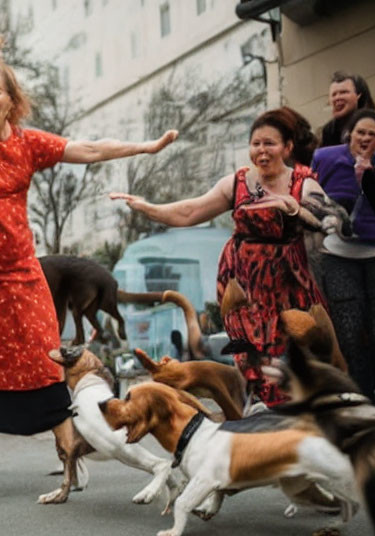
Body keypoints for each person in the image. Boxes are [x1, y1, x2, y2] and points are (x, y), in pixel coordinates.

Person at [0, 37, 177, 440]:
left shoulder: (27, 143)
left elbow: (90, 150)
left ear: (11, 100)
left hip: (17, 264)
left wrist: (146, 147)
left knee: (43, 341)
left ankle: (64, 435)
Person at [112, 107, 337, 406]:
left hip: (288, 285)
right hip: (243, 287)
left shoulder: (302, 182)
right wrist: (146, 207)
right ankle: (261, 411)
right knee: (252, 354)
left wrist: (293, 208)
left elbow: (325, 216)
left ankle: (290, 415)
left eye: (269, 143)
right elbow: (189, 211)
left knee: (293, 353)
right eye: (256, 143)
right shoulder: (237, 183)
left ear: (287, 147)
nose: (261, 150)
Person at [311, 109, 375, 401]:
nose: (365, 138)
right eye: (360, 132)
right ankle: (360, 395)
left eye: (372, 134)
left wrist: (367, 175)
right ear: (348, 134)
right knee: (349, 332)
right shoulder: (326, 159)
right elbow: (311, 193)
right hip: (338, 255)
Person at [318, 71, 375, 148]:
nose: (337, 98)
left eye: (343, 92)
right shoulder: (328, 131)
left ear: (358, 95)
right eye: (334, 94)